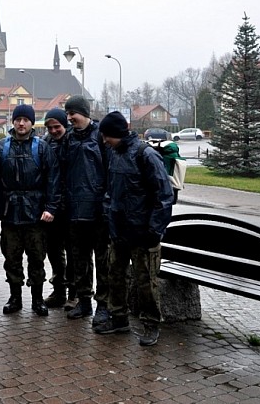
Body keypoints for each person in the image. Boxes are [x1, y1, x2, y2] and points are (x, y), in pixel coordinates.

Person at [96, 111, 173, 346]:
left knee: (145, 282)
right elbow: (111, 190)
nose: (104, 140)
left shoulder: (146, 155)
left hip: (143, 233)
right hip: (119, 232)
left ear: (116, 133)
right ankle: (118, 318)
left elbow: (164, 195)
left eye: (106, 136)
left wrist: (154, 230)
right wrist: (108, 215)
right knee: (115, 276)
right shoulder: (114, 154)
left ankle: (151, 324)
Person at [0, 105, 60, 316]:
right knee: (11, 258)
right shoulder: (1, 148)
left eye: (25, 119)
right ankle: (15, 298)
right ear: (12, 122)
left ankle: (37, 299)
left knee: (36, 258)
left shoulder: (42, 148)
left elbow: (53, 180)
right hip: (10, 213)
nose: (21, 123)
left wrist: (50, 207)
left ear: (32, 123)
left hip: (36, 214)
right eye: (18, 119)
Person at [63, 95, 111, 328]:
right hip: (75, 210)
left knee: (102, 261)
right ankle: (84, 301)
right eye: (68, 114)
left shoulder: (101, 137)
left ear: (85, 113)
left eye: (73, 113)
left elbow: (111, 171)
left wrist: (107, 203)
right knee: (80, 259)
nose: (70, 118)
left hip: (98, 211)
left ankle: (103, 305)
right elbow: (61, 172)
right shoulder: (68, 139)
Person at [41, 108, 76, 310]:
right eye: (50, 127)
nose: (54, 130)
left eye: (57, 126)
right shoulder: (46, 143)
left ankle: (74, 292)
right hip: (52, 206)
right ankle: (59, 290)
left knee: (73, 253)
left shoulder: (73, 142)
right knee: (54, 252)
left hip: (72, 206)